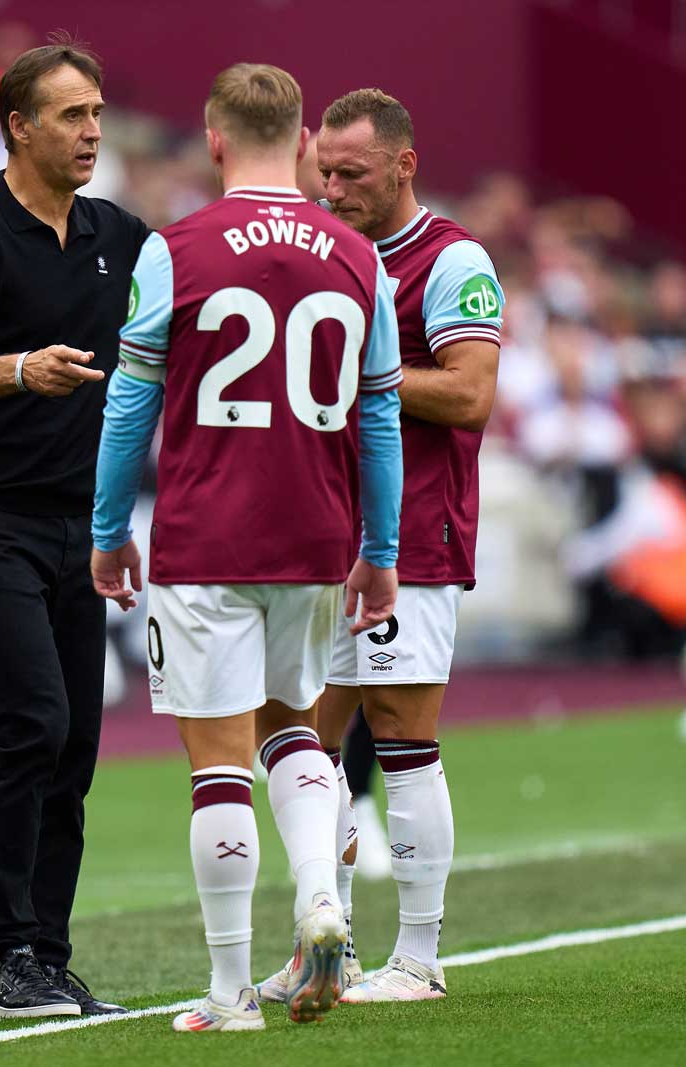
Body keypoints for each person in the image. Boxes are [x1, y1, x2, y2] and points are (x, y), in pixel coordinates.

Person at [92, 63, 404, 1033]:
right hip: (314, 533)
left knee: (218, 760)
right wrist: (380, 547)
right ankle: (322, 899)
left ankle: (229, 993)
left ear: (214, 137)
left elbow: (129, 399)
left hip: (205, 532)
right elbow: (381, 416)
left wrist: (107, 529)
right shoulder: (359, 256)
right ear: (306, 138)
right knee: (296, 731)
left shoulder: (172, 249)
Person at [0, 35, 149, 1019]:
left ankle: (43, 947)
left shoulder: (121, 234)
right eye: (71, 114)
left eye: (97, 112)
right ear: (17, 124)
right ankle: (2, 947)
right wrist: (14, 369)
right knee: (33, 721)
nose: (92, 130)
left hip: (82, 523)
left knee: (76, 740)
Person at [259, 88, 506, 1006]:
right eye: (323, 170)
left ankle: (419, 957)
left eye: (351, 174)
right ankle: (324, 939)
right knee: (303, 739)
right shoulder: (324, 252)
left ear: (405, 164)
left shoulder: (453, 260)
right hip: (317, 532)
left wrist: (372, 372)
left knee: (403, 736)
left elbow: (472, 393)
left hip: (417, 535)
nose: (332, 187)